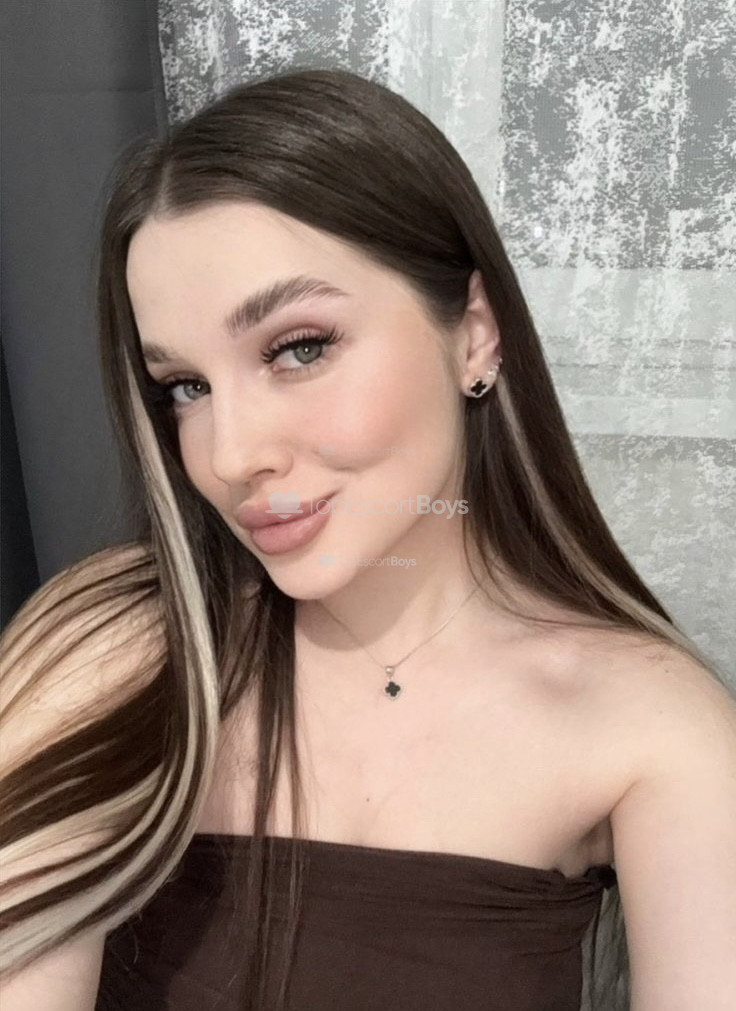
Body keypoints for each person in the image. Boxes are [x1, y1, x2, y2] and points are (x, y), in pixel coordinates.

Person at [1, 66, 735, 1011]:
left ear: (475, 333)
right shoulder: (118, 647)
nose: (231, 455)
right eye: (186, 386)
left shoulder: (648, 725)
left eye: (299, 348)